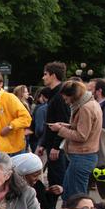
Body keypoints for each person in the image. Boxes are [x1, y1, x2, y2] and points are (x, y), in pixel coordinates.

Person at [48, 80, 102, 202]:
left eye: (66, 98)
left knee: (76, 197)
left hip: (82, 156)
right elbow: (85, 129)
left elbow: (82, 136)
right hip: (84, 156)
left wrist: (60, 129)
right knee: (70, 194)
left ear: (73, 95)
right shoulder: (91, 104)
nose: (65, 101)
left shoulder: (85, 108)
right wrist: (67, 126)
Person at [0, 70, 32, 155]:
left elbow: (26, 118)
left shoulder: (9, 98)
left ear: (1, 84)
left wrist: (10, 127)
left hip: (10, 148)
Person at [36, 62, 70, 190]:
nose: (43, 77)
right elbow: (50, 123)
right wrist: (44, 144)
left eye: (45, 74)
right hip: (52, 145)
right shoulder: (54, 94)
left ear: (53, 75)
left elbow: (63, 122)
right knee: (53, 178)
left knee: (57, 180)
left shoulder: (60, 96)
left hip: (57, 148)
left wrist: (56, 146)